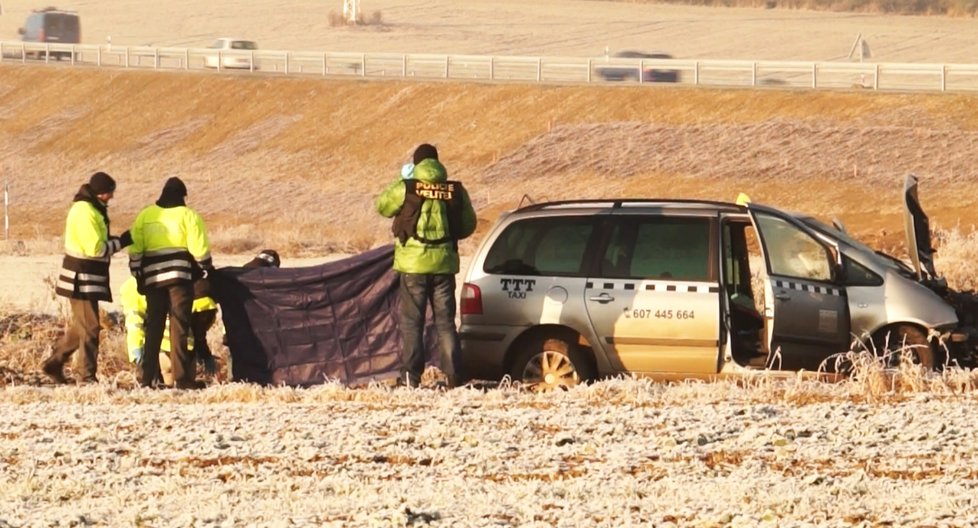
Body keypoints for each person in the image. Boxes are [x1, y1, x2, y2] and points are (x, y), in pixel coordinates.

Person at [375, 143, 477, 388]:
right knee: (445, 323)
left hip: (413, 267)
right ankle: (453, 377)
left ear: (416, 163)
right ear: (437, 163)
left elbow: (383, 206)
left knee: (412, 323)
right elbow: (468, 226)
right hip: (443, 266)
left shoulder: (408, 187)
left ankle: (411, 378)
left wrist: (401, 181)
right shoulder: (455, 191)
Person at [42, 171, 132, 385]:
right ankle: (86, 376)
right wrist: (122, 242)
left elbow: (96, 240)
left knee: (82, 326)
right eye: (110, 193)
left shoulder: (91, 208)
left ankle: (54, 363)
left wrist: (114, 240)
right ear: (101, 192)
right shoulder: (85, 211)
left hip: (85, 277)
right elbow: (96, 249)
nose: (111, 197)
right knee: (91, 327)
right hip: (80, 278)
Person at [128, 177, 213, 389]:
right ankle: (182, 379)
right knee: (179, 327)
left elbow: (135, 249)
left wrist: (137, 273)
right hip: (179, 280)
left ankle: (146, 378)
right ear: (183, 196)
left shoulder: (146, 215)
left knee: (153, 328)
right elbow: (200, 250)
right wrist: (207, 269)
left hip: (153, 280)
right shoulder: (188, 216)